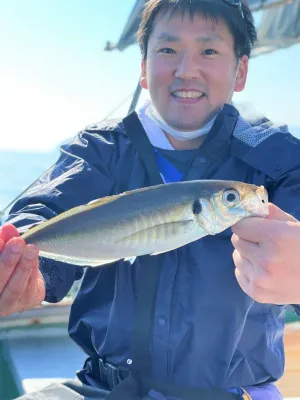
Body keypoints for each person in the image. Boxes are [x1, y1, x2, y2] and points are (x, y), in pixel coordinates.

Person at [1, 0, 300, 399]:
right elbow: (45, 210)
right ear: (143, 68)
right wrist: (23, 270)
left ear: (240, 69)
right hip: (100, 389)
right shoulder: (101, 150)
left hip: (236, 392)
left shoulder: (278, 159)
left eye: (209, 50)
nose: (186, 69)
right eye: (167, 50)